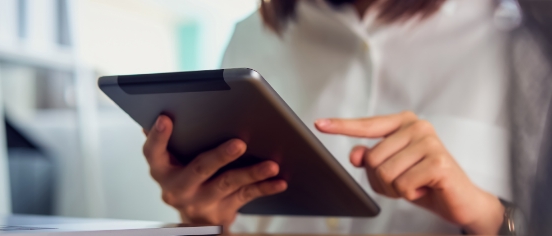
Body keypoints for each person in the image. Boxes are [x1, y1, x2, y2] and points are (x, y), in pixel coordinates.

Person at [142, 0, 514, 234]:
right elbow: (233, 221)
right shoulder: (250, 37)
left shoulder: (518, 39)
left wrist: (489, 217)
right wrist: (202, 221)